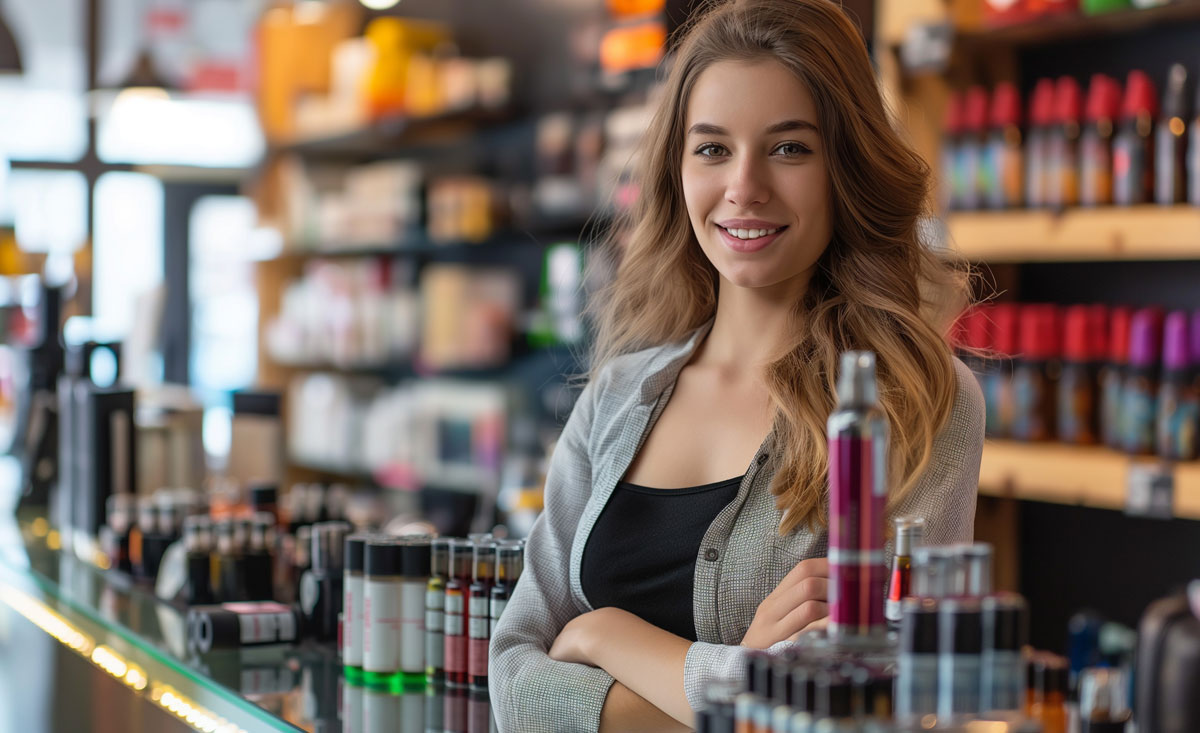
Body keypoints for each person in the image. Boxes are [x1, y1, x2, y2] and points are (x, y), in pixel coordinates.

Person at [489, 0, 985, 730]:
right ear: (677, 168)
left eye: (789, 148)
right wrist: (747, 683)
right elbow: (512, 683)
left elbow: (882, 706)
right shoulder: (619, 395)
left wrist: (606, 636)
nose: (743, 187)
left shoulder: (917, 402)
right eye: (713, 149)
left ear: (844, 168)